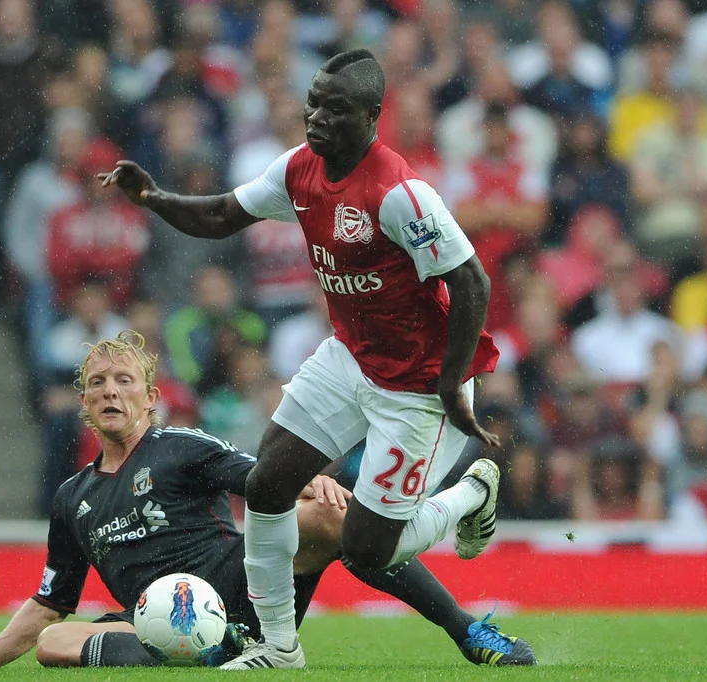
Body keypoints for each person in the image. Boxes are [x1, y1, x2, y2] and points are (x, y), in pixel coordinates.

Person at [99, 49, 535, 668]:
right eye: (313, 103)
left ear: (372, 116)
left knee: (366, 551)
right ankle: (278, 647)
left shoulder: (399, 194)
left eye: (336, 109)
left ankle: (471, 493)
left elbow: (471, 283)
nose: (318, 117)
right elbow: (225, 214)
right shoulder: (299, 169)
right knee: (266, 483)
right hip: (351, 357)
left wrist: (446, 384)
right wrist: (152, 197)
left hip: (415, 382)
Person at [0, 331, 524, 669]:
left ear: (150, 399)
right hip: (151, 620)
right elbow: (50, 603)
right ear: (84, 403)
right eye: (98, 384)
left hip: (239, 586)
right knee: (55, 646)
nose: (110, 392)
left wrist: (307, 479)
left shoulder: (179, 447)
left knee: (323, 518)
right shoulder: (71, 498)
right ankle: (212, 652)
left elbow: (261, 479)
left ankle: (469, 630)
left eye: (124, 381)